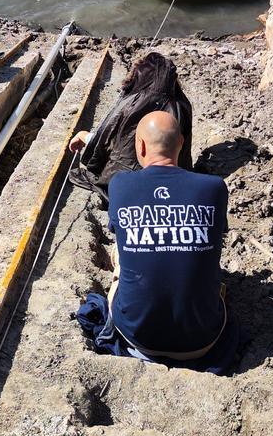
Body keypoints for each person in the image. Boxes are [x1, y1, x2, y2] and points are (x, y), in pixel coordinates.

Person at [75, 111, 237, 373]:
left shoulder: (121, 185)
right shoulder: (214, 187)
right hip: (204, 339)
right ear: (181, 143)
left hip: (138, 337)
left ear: (140, 146)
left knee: (121, 253)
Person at [67, 52, 193, 200]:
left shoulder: (130, 104)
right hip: (172, 185)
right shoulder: (182, 107)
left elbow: (105, 144)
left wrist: (83, 135)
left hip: (121, 182)